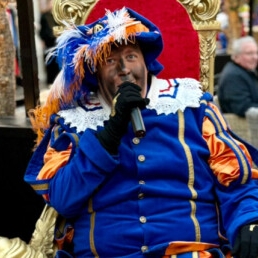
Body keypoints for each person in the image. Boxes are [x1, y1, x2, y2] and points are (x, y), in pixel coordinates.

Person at [18, 7, 258, 258]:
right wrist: (110, 133)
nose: (123, 68)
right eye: (110, 61)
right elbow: (63, 199)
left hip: (191, 252)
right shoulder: (74, 122)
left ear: (146, 61)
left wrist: (250, 219)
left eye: (131, 56)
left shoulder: (193, 106)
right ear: (95, 73)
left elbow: (237, 178)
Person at [217, 36, 258, 117]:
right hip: (245, 126)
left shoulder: (246, 71)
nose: (255, 57)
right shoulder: (233, 76)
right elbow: (243, 108)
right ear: (236, 56)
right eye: (249, 53)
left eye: (256, 53)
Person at [39, 0, 60, 86]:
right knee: (50, 63)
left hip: (57, 43)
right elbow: (42, 31)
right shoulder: (44, 16)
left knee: (57, 63)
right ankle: (50, 83)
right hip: (49, 43)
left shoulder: (57, 16)